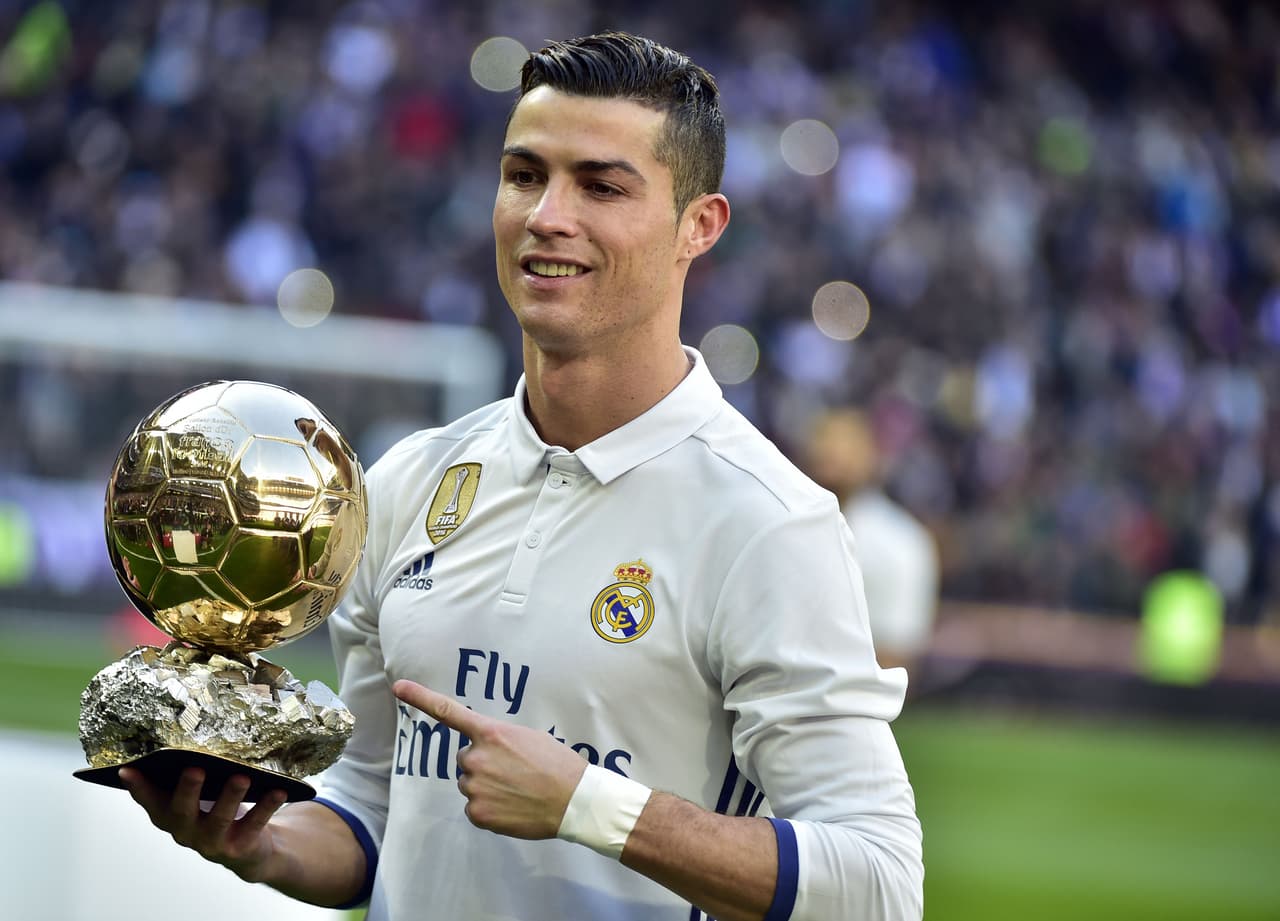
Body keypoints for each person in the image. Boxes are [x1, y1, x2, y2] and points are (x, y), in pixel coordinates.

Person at [120, 32, 923, 921]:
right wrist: (261, 843)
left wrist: (589, 807)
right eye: (525, 174)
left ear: (699, 224)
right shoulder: (410, 481)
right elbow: (374, 805)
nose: (546, 214)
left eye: (602, 185)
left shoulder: (766, 522)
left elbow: (879, 881)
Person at [803, 408, 940, 674]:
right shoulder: (779, 524)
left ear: (870, 456)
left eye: (844, 444)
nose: (830, 453)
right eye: (823, 441)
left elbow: (897, 653)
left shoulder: (900, 541)